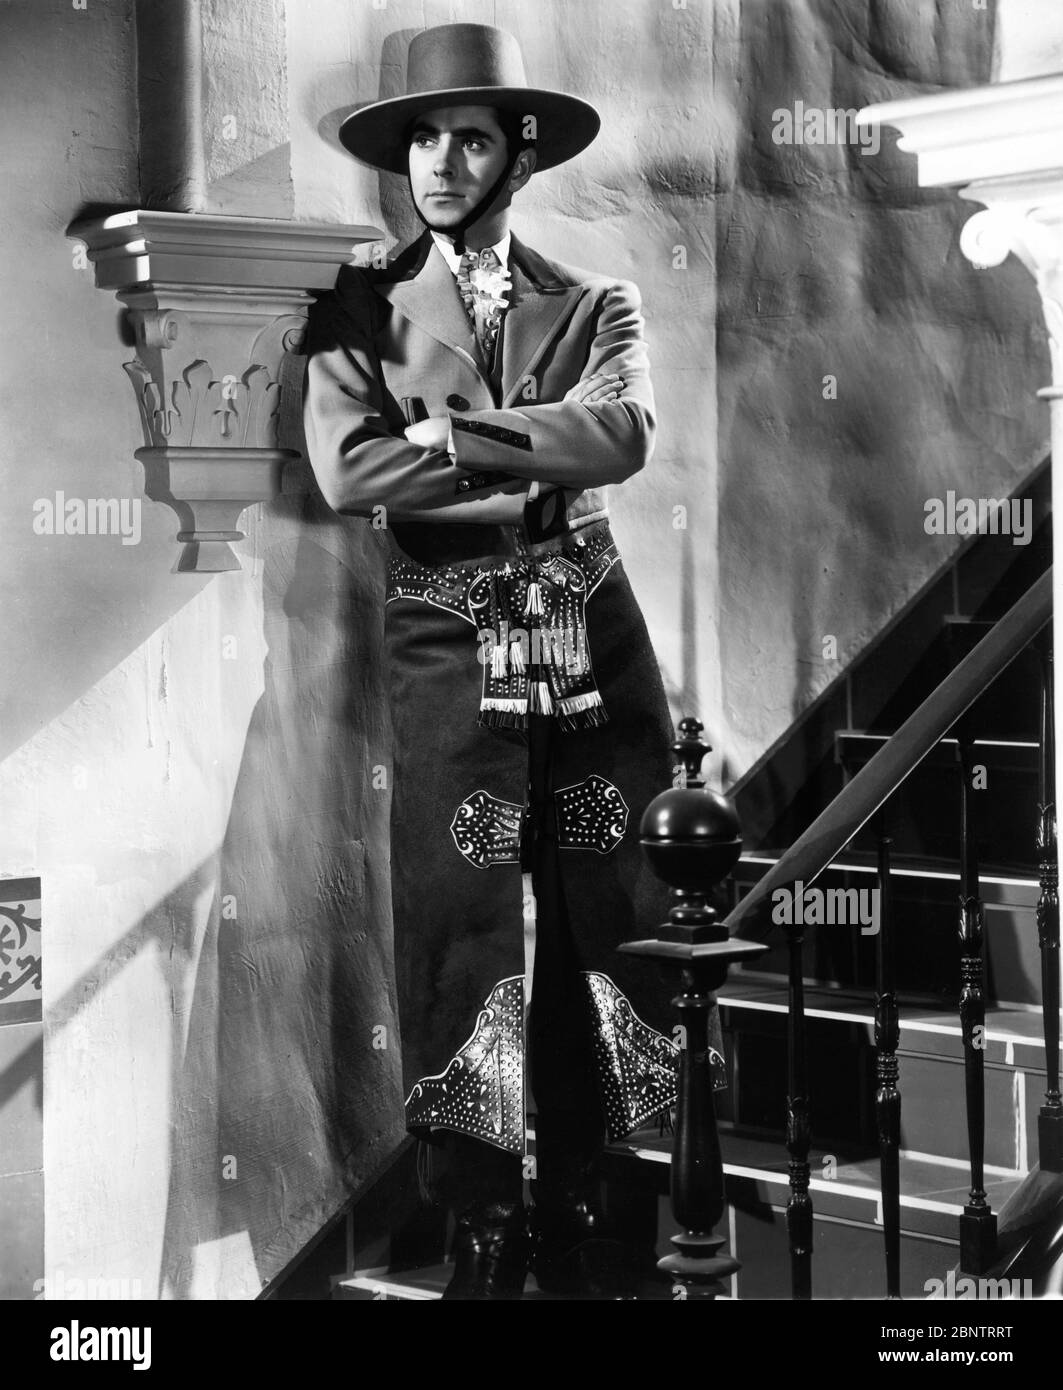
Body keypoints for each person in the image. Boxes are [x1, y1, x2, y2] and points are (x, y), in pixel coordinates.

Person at [304, 21, 722, 1299]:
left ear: (514, 158)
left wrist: (454, 441)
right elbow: (345, 471)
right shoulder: (356, 302)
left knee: (612, 891)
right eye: (420, 139)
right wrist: (527, 460)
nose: (436, 162)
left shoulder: (598, 299)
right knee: (457, 908)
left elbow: (623, 435)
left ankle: (601, 1184)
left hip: (591, 621)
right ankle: (478, 1208)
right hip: (445, 628)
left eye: (466, 139)